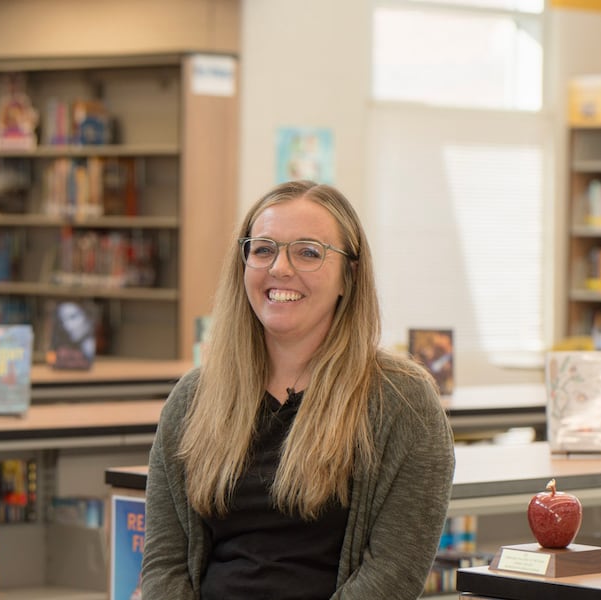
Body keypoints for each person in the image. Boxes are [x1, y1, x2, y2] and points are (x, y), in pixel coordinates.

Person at [141, 180, 455, 599]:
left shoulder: (402, 402)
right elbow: (165, 566)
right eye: (263, 249)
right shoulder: (193, 399)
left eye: (308, 252)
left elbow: (392, 576)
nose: (280, 268)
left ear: (349, 275)